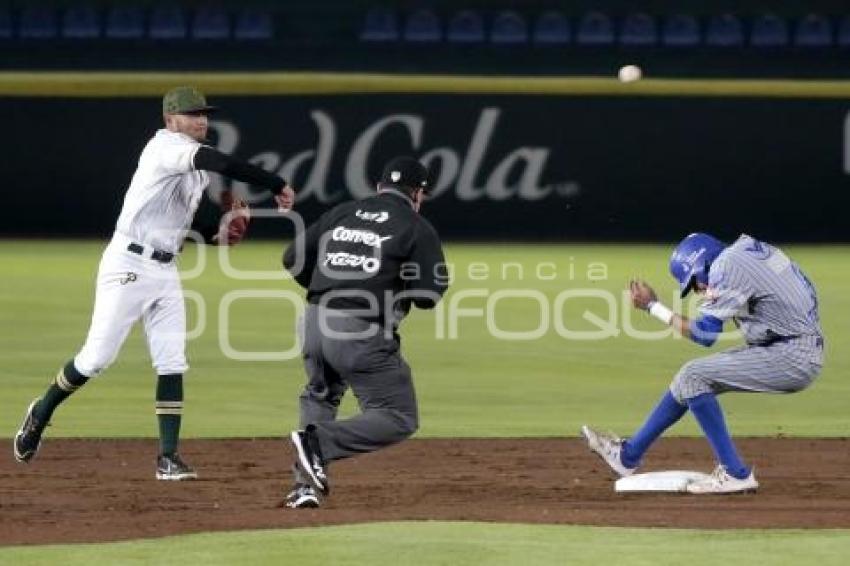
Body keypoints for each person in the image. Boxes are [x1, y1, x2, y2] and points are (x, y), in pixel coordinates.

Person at [13, 86, 296, 480]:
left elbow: (178, 225)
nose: (201, 119)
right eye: (191, 113)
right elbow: (219, 161)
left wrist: (219, 234)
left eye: (204, 113)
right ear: (170, 120)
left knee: (172, 360)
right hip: (127, 263)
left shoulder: (191, 167)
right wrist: (276, 183)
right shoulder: (166, 148)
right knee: (95, 359)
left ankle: (168, 458)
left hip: (165, 269)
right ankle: (40, 412)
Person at [581, 232, 824, 494]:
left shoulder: (725, 266)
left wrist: (653, 306)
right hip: (793, 345)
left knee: (695, 375)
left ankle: (735, 473)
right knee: (686, 380)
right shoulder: (749, 251)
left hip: (792, 354)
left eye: (694, 281)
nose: (698, 290)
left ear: (703, 263)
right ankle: (627, 456)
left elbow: (705, 334)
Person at [280, 156, 448, 508]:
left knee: (320, 395)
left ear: (378, 187)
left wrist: (329, 285)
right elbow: (429, 295)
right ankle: (317, 444)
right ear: (418, 194)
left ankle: (304, 487)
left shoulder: (344, 211)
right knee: (397, 415)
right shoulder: (415, 226)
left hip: (312, 320)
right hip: (359, 329)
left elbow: (292, 257)